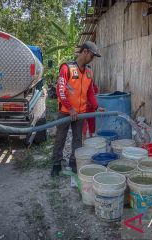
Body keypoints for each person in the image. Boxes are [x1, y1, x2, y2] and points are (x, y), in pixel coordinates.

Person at [51, 41, 104, 177]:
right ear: (85, 52)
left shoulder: (89, 72)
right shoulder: (66, 68)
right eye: (92, 56)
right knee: (60, 138)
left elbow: (90, 92)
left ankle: (74, 162)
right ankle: (56, 164)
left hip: (80, 113)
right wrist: (70, 109)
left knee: (77, 139)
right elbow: (60, 91)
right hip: (65, 112)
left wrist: (96, 106)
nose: (92, 59)